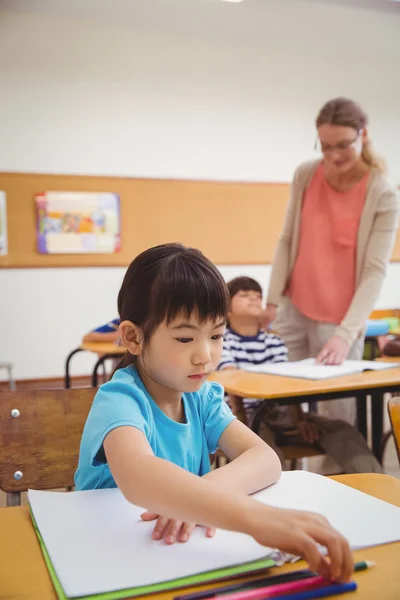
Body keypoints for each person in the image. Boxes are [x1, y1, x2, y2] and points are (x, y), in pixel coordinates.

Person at [75, 243, 352, 582]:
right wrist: (256, 518)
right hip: (104, 561)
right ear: (133, 337)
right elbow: (139, 476)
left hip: (175, 557)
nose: (205, 355)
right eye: (184, 339)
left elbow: (264, 458)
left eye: (217, 335)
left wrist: (198, 497)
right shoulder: (119, 399)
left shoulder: (202, 397)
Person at [263, 97, 399, 424]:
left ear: (363, 135)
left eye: (343, 145)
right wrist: (271, 301)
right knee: (281, 410)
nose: (334, 155)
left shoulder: (382, 193)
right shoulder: (306, 175)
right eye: (325, 146)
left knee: (336, 417)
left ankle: (342, 476)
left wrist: (345, 334)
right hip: (294, 310)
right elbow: (286, 240)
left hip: (340, 321)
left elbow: (374, 272)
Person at [218, 276, 384, 474]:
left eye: (258, 296)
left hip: (283, 412)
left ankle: (377, 488)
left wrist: (299, 419)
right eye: (244, 295)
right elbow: (234, 379)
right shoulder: (221, 342)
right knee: (264, 452)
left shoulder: (274, 341)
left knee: (343, 432)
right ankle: (278, 500)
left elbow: (286, 385)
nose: (254, 299)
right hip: (244, 416)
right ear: (226, 309)